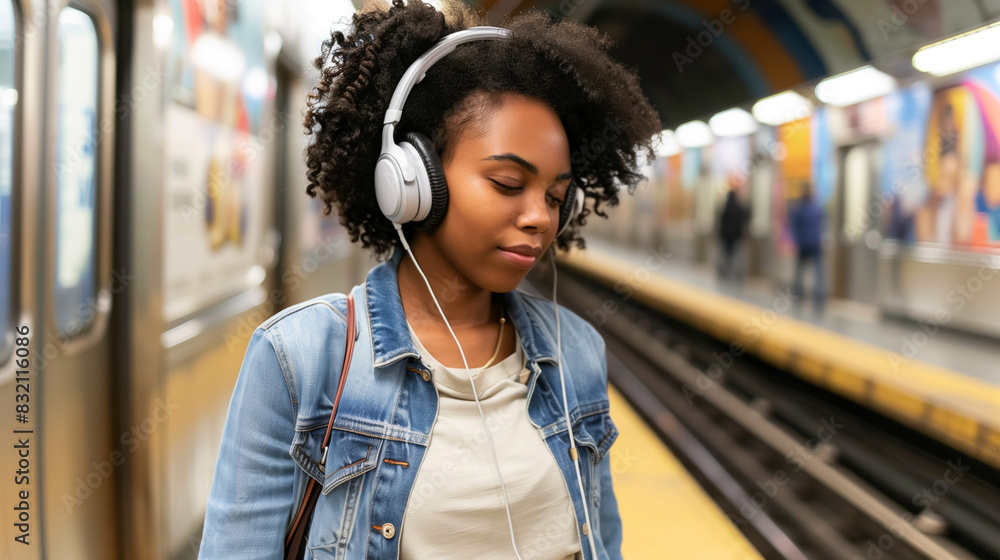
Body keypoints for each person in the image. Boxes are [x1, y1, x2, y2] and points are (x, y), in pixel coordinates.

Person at [197, 1, 660, 559]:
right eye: (509, 183)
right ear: (411, 181)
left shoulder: (577, 352)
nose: (541, 216)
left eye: (557, 197)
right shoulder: (299, 358)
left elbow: (602, 541)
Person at [789, 185, 826, 304]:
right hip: (815, 244)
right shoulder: (817, 209)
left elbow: (793, 224)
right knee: (818, 271)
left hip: (803, 244)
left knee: (800, 270)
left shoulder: (799, 210)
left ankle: (798, 293)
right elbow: (823, 222)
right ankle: (819, 295)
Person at [717, 175, 748, 285]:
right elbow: (745, 217)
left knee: (726, 255)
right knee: (736, 255)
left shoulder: (725, 208)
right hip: (736, 236)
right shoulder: (739, 208)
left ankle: (724, 273)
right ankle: (737, 275)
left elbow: (720, 221)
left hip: (726, 236)